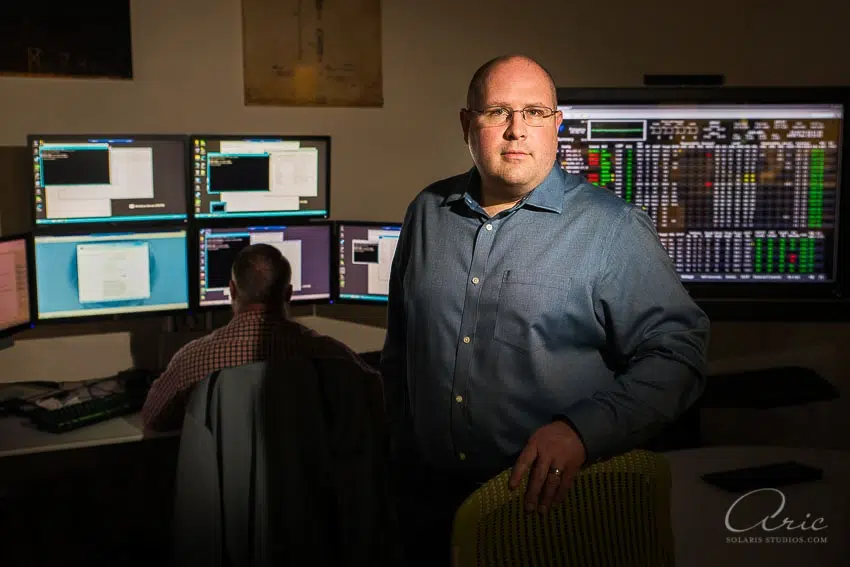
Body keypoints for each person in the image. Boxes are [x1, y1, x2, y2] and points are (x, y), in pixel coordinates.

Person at [381, 54, 710, 566]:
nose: (517, 130)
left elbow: (679, 355)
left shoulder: (612, 229)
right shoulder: (426, 212)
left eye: (535, 112)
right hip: (425, 507)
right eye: (498, 112)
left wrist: (582, 430)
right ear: (467, 124)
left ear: (558, 125)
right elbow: (400, 349)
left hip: (548, 511)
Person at [141, 243, 381, 432]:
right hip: (310, 489)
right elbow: (381, 399)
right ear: (289, 294)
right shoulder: (331, 356)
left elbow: (153, 418)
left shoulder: (193, 360)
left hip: (228, 489)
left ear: (232, 291)